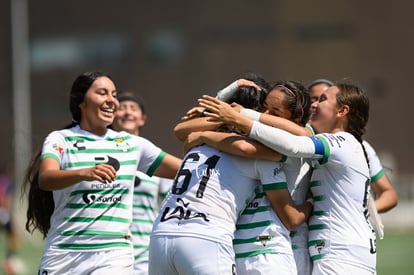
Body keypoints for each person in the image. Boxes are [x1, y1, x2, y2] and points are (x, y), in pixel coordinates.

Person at [198, 82, 377, 274]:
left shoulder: (342, 141)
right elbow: (298, 133)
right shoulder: (343, 145)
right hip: (340, 253)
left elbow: (294, 145)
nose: (315, 104)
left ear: (342, 111)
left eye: (323, 99)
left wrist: (242, 118)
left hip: (342, 255)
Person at [22, 71, 181, 275]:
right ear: (81, 101)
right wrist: (84, 173)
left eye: (114, 94)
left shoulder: (132, 144)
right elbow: (46, 178)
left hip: (113, 254)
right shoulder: (60, 139)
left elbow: (184, 170)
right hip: (64, 253)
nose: (111, 101)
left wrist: (210, 142)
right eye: (102, 93)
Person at [149, 79, 313, 275]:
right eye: (263, 108)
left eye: (274, 113)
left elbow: (181, 130)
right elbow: (291, 217)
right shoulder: (258, 152)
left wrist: (228, 117)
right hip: (211, 239)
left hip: (163, 232)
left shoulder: (205, 141)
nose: (264, 115)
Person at [307, 79, 398, 216]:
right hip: (308, 233)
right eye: (313, 99)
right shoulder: (303, 140)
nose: (315, 104)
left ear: (340, 108)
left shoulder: (359, 147)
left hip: (338, 230)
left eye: (322, 99)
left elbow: (389, 193)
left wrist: (362, 210)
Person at [111, 91, 174, 274]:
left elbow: (170, 202)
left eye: (133, 108)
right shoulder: (102, 157)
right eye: (121, 108)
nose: (127, 112)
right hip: (111, 246)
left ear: (142, 119)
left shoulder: (156, 161)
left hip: (146, 250)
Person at [0, 165, 25, 275]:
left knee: (11, 233)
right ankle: (11, 259)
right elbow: (5, 199)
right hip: (2, 212)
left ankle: (10, 260)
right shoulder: (6, 182)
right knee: (13, 234)